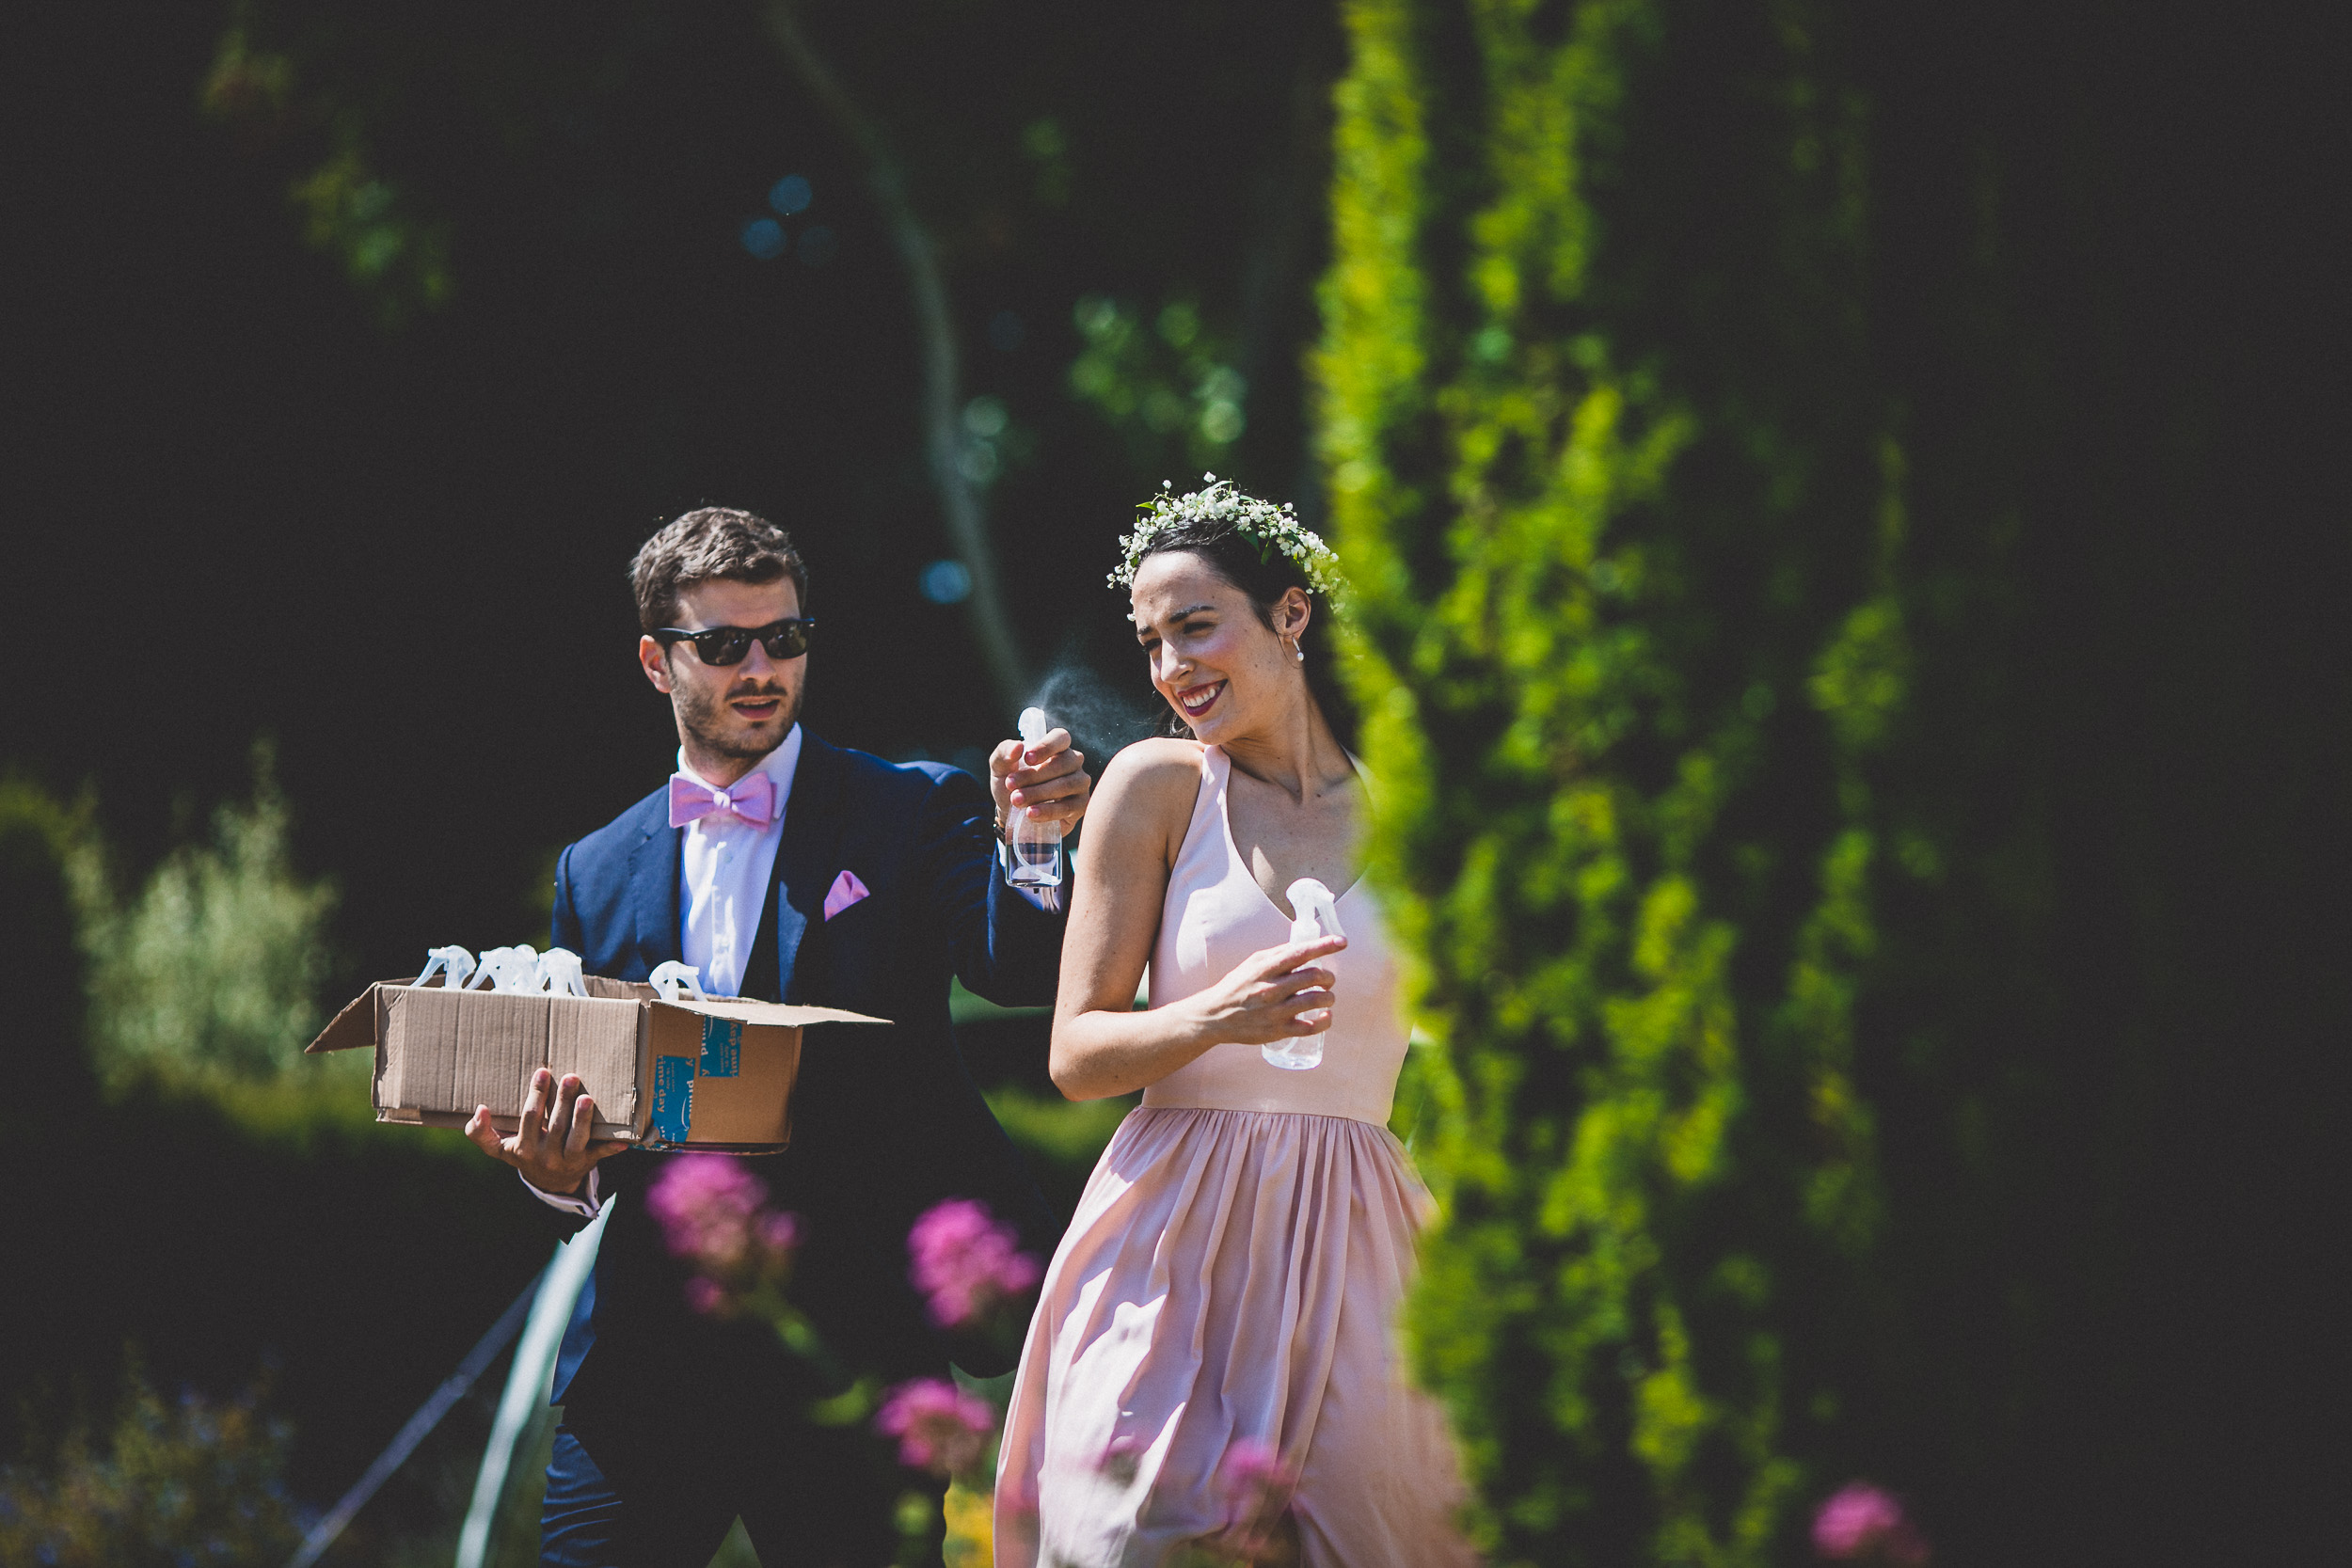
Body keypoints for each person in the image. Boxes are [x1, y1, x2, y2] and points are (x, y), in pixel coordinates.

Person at [461, 506, 1091, 1567]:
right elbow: (594, 1112)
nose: (761, 666)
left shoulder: (909, 809)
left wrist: (1030, 845)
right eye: (724, 645)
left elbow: (1017, 968)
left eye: (784, 638)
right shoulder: (594, 867)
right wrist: (552, 1173)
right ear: (658, 662)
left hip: (852, 1361)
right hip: (646, 1374)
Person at [993, 480, 1479, 1566]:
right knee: (1133, 1526)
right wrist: (1218, 1014)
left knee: (1378, 1528)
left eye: (1195, 625)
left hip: (1363, 1237)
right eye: (1151, 640)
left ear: (1291, 614)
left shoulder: (1412, 811)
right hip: (1171, 1229)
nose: (1169, 668)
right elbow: (1074, 1052)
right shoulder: (1156, 785)